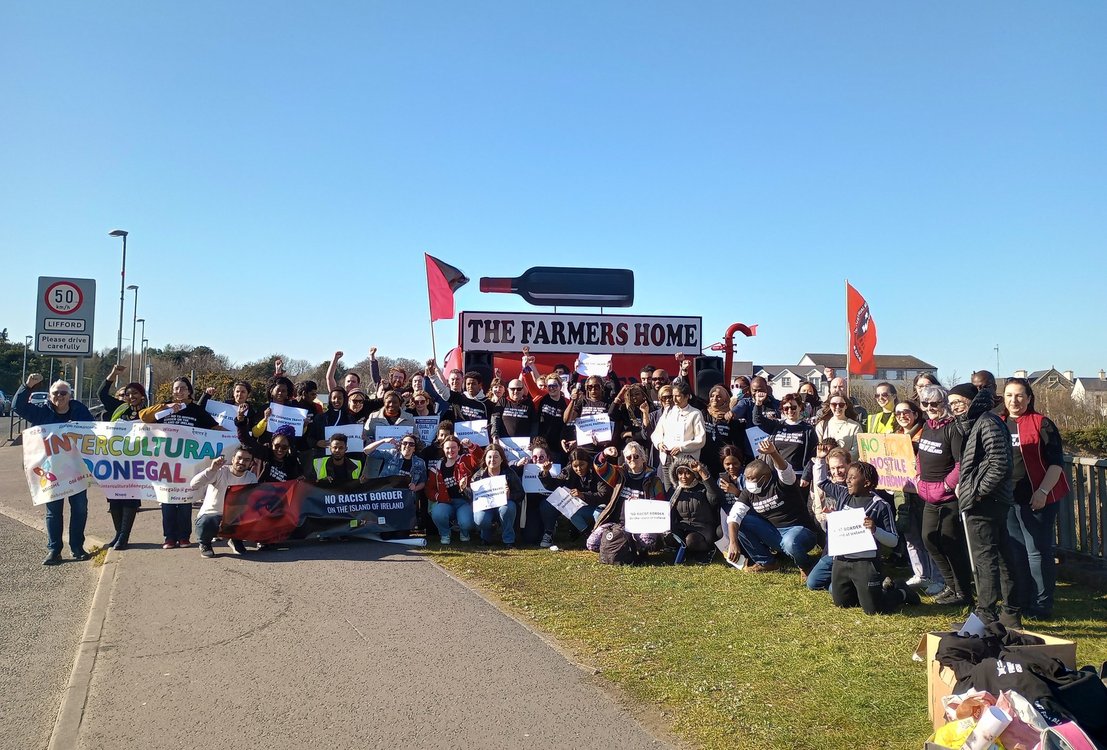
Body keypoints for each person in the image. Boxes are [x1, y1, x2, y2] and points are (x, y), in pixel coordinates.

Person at [953, 383, 1022, 628]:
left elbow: (1000, 463)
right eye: (951, 404)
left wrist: (978, 492)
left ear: (972, 401)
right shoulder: (978, 422)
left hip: (987, 502)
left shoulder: (987, 422)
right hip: (990, 500)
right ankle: (1010, 613)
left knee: (985, 559)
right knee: (1001, 557)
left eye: (958, 402)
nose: (954, 408)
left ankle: (986, 615)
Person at [1000, 378, 1069, 619]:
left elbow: (1056, 463)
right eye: (1009, 395)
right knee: (1017, 551)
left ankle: (1041, 604)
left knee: (1037, 551)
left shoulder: (1042, 423)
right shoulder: (997, 423)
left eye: (1020, 395)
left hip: (1038, 497)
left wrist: (1042, 492)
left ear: (1029, 398)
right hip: (1009, 499)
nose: (1014, 400)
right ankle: (1023, 599)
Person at [814, 458, 918, 614]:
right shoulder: (843, 494)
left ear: (867, 483)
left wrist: (875, 530)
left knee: (874, 610)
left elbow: (893, 541)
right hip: (841, 560)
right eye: (848, 476)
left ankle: (901, 592)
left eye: (852, 478)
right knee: (842, 603)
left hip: (865, 563)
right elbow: (821, 482)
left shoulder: (880, 505)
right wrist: (820, 460)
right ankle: (867, 594)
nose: (847, 480)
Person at [15, 374, 96, 565]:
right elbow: (18, 407)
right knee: (53, 512)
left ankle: (77, 547)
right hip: (50, 471)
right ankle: (54, 550)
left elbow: (93, 429)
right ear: (50, 396)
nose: (59, 396)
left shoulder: (80, 411)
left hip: (76, 469)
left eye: (63, 393)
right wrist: (28, 386)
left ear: (70, 395)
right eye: (55, 393)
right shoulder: (42, 413)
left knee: (80, 509)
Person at [141, 376, 221, 548]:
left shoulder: (196, 410)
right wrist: (166, 407)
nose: (179, 391)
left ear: (189, 391)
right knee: (167, 500)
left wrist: (236, 434)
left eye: (183, 388)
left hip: (188, 463)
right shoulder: (165, 408)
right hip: (165, 463)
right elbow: (144, 417)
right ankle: (169, 537)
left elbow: (214, 428)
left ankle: (184, 537)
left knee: (185, 499)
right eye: (176, 388)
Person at [917, 384, 974, 606]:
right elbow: (921, 455)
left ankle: (964, 592)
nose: (930, 408)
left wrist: (947, 486)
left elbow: (961, 463)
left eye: (935, 403)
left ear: (944, 404)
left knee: (951, 544)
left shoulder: (953, 429)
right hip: (928, 495)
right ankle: (951, 586)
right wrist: (918, 476)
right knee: (929, 539)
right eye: (925, 403)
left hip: (948, 497)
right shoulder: (927, 426)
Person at [725, 440, 818, 574]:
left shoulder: (782, 484)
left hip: (800, 532)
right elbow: (735, 515)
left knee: (789, 542)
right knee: (740, 522)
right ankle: (767, 562)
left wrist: (773, 453)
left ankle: (805, 566)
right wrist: (733, 543)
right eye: (746, 478)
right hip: (775, 533)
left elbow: (785, 470)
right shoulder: (748, 492)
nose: (749, 482)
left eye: (752, 478)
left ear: (765, 477)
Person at [892, 399, 946, 597]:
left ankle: (938, 578)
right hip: (902, 492)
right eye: (898, 413)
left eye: (906, 412)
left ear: (916, 414)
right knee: (910, 536)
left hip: (924, 492)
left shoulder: (927, 433)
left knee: (929, 537)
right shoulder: (894, 437)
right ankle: (920, 573)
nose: (902, 416)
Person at [98, 364, 147, 550]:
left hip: (135, 463)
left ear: (142, 396)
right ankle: (118, 534)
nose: (131, 396)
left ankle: (124, 536)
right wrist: (113, 374)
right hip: (114, 460)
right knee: (114, 497)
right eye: (128, 394)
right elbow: (102, 394)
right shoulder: (119, 408)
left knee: (130, 498)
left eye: (135, 393)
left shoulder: (149, 412)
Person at [588, 441, 666, 557]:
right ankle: (626, 544)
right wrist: (605, 453)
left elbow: (661, 506)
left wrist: (641, 504)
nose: (632, 459)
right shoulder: (619, 475)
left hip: (642, 524)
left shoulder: (655, 481)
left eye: (636, 456)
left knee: (647, 542)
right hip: (617, 524)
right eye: (629, 457)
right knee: (592, 544)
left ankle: (630, 545)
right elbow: (600, 467)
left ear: (643, 458)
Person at [538, 447, 612, 546]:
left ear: (588, 462)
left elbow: (604, 495)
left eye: (582, 465)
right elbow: (554, 486)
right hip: (579, 506)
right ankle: (589, 536)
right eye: (575, 466)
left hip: (598, 505)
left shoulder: (597, 470)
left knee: (598, 514)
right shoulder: (568, 471)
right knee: (561, 508)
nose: (579, 469)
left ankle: (603, 538)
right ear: (571, 465)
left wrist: (583, 495)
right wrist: (546, 473)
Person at [191, 447, 257, 557]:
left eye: (246, 460)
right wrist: (212, 469)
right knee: (207, 521)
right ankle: (205, 543)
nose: (242, 462)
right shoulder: (219, 471)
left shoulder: (251, 477)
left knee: (254, 517)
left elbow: (251, 501)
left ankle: (235, 540)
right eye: (239, 458)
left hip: (234, 517)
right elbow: (193, 485)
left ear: (251, 463)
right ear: (233, 459)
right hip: (213, 514)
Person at [425, 435, 481, 545]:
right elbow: (429, 489)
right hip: (446, 502)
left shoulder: (466, 459)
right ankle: (445, 534)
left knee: (466, 523)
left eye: (453, 447)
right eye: (447, 448)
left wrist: (471, 446)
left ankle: (464, 532)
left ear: (459, 448)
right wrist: (438, 497)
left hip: (464, 502)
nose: (450, 450)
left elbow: (479, 459)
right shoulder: (437, 467)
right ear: (443, 449)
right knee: (437, 513)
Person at [464, 443, 522, 547]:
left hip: (504, 505)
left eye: (496, 457)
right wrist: (464, 488)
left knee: (508, 508)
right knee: (480, 519)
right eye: (489, 457)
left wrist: (509, 496)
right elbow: (472, 497)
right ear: (485, 459)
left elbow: (521, 493)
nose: (492, 460)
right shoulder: (478, 476)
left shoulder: (509, 473)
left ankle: (508, 540)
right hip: (486, 507)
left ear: (502, 459)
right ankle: (486, 537)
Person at [651, 381, 706, 488]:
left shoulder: (695, 414)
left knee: (684, 491)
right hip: (667, 459)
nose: (674, 399)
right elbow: (656, 433)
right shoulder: (668, 411)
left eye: (678, 396)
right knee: (668, 491)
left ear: (687, 396)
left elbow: (700, 440)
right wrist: (659, 444)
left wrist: (681, 447)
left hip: (685, 461)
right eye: (673, 396)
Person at [666, 456, 721, 563]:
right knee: (669, 536)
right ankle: (685, 550)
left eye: (688, 473)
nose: (683, 477)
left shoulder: (703, 488)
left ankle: (706, 549)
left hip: (703, 529)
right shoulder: (674, 492)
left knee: (691, 540)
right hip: (683, 527)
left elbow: (715, 497)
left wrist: (703, 473)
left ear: (694, 474)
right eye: (680, 473)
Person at [752, 392, 817, 473]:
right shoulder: (777, 425)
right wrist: (758, 403)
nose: (790, 411)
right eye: (786, 408)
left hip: (796, 473)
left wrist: (806, 476)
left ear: (800, 407)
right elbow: (757, 420)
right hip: (775, 472)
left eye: (793, 407)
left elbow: (812, 455)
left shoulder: (808, 429)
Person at [700, 385, 738, 477]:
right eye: (712, 396)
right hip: (704, 459)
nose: (714, 398)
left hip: (723, 462)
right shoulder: (703, 414)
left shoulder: (730, 417)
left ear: (725, 399)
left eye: (719, 396)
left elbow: (736, 442)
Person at [815, 394, 862, 460]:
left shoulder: (855, 426)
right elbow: (818, 448)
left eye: (841, 405)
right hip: (825, 464)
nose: (837, 407)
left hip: (846, 464)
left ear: (846, 406)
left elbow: (856, 451)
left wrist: (839, 459)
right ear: (830, 406)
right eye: (834, 404)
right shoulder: (822, 425)